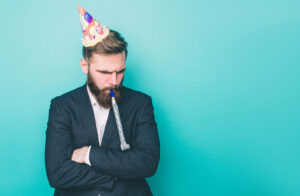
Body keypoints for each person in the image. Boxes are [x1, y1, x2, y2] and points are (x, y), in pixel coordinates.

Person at [45, 5, 160, 196]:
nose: (114, 81)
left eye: (120, 71)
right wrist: (121, 171)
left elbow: (147, 163)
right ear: (85, 66)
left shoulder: (141, 104)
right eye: (105, 72)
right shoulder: (62, 107)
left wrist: (90, 154)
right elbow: (57, 174)